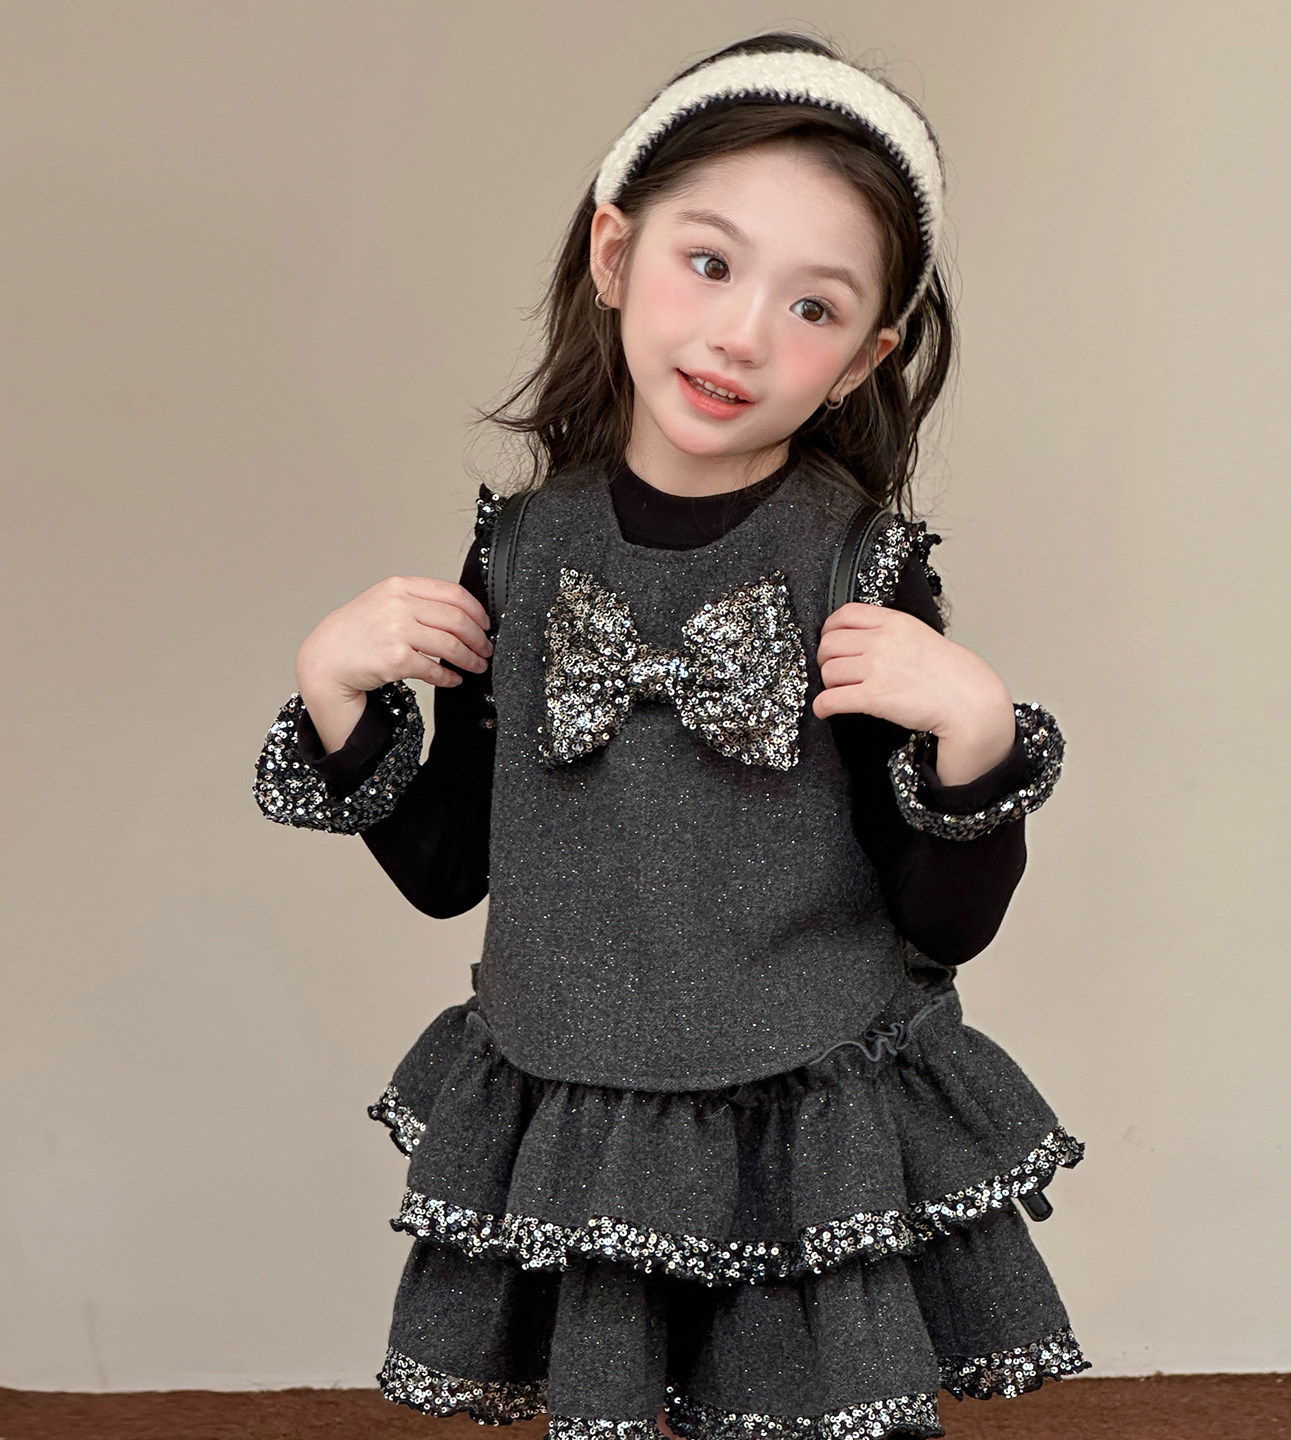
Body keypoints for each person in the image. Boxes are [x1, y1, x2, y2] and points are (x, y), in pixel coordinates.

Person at [253, 31, 1088, 1440]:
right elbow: (454, 867)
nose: (742, 334)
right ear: (614, 252)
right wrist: (338, 696)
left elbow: (944, 917)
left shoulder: (856, 565)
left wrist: (976, 737)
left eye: (813, 306)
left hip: (796, 1100)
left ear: (865, 359)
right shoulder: (522, 553)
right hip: (583, 1088)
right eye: (709, 263)